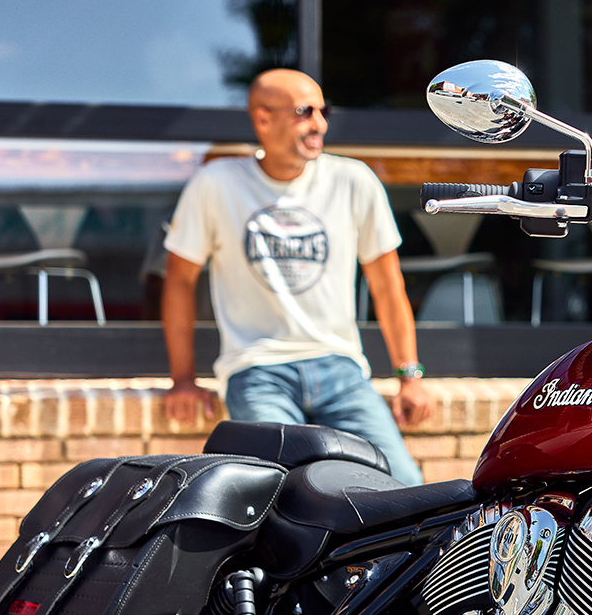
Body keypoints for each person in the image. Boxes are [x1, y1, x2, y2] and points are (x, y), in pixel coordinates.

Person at [160, 68, 432, 486]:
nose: (319, 124)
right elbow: (179, 280)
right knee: (271, 489)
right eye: (305, 112)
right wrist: (183, 379)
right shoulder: (216, 184)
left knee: (404, 485)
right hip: (257, 370)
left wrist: (409, 377)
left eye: (323, 112)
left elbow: (387, 285)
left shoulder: (353, 180)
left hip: (341, 369)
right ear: (263, 119)